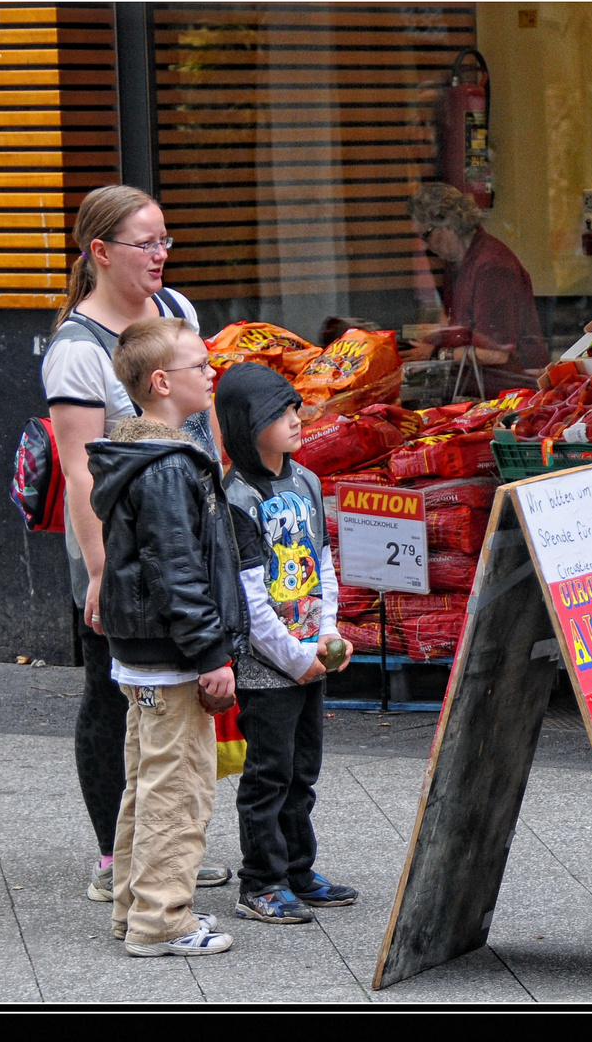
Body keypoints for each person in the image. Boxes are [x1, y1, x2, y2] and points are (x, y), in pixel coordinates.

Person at [40, 184, 231, 901]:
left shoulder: (176, 311)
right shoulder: (76, 350)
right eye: (146, 242)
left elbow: (200, 420)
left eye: (165, 241)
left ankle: (162, 845)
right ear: (100, 252)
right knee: (111, 693)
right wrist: (97, 572)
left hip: (187, 534)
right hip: (116, 550)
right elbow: (80, 467)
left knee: (176, 693)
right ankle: (115, 860)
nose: (161, 255)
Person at [86, 318, 247, 957]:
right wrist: (211, 653)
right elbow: (178, 570)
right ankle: (162, 920)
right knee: (177, 792)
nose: (211, 375)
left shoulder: (139, 455)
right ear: (161, 382)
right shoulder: (167, 466)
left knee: (148, 784)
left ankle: (134, 910)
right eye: (199, 366)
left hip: (145, 653)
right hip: (172, 656)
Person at [214, 362, 359, 923]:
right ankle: (261, 882)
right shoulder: (235, 499)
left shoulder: (308, 481)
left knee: (304, 771)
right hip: (265, 667)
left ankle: (299, 870)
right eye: (281, 412)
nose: (297, 419)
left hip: (308, 658)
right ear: (246, 425)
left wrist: (326, 633)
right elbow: (249, 603)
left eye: (295, 407)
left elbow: (322, 561)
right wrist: (296, 659)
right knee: (268, 776)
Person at [403, 181, 549, 394]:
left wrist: (436, 354)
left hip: (512, 390)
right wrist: (442, 334)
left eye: (426, 235)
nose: (426, 246)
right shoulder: (460, 263)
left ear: (448, 224)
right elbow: (466, 327)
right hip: (482, 386)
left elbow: (497, 353)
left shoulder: (492, 266)